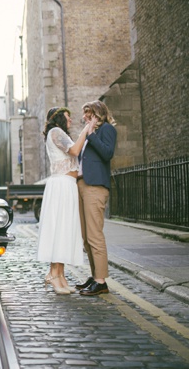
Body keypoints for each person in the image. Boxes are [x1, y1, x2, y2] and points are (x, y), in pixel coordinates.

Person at [37, 107, 95, 294]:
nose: (70, 120)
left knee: (65, 230)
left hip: (68, 185)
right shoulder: (55, 132)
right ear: (60, 118)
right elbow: (75, 150)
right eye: (68, 117)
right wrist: (87, 129)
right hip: (61, 185)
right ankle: (53, 274)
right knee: (59, 229)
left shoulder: (60, 133)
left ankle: (60, 275)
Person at [75, 100, 117, 296]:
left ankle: (101, 282)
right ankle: (95, 276)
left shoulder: (107, 129)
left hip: (95, 187)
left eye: (87, 114)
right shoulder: (87, 134)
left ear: (97, 114)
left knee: (94, 235)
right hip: (82, 184)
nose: (84, 117)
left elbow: (107, 153)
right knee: (85, 236)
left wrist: (91, 134)